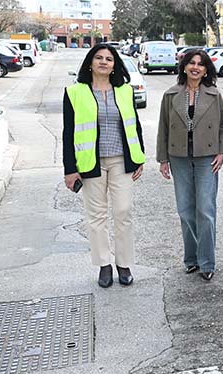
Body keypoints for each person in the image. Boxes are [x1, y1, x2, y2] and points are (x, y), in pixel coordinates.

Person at [62, 44, 146, 288]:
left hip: (122, 160)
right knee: (96, 217)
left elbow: (134, 125)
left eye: (108, 59)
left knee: (123, 211)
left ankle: (124, 264)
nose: (103, 62)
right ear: (90, 63)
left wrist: (138, 157)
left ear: (114, 65)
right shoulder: (74, 92)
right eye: (98, 58)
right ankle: (104, 266)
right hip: (91, 164)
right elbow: (68, 132)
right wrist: (70, 168)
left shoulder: (124, 91)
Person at [157, 48, 223, 282]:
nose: (195, 67)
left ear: (206, 69)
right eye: (191, 63)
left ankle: (207, 261)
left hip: (207, 157)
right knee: (185, 210)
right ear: (184, 67)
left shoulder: (214, 94)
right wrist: (163, 159)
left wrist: (222, 152)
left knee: (205, 210)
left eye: (200, 64)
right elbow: (163, 129)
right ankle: (191, 259)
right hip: (178, 156)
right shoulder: (170, 95)